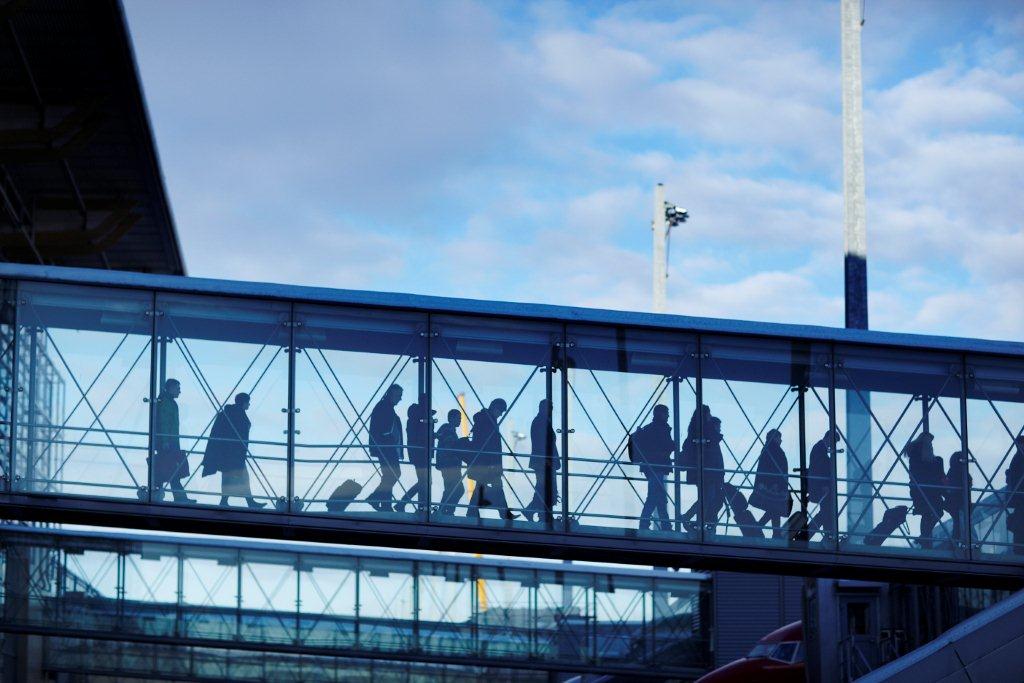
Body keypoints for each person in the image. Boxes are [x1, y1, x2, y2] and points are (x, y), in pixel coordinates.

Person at [200, 393, 266, 509]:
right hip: (233, 453)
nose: (249, 404)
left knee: (230, 476)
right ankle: (247, 502)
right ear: (243, 402)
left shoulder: (229, 413)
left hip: (230, 452)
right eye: (248, 402)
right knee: (239, 476)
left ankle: (228, 501)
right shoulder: (236, 414)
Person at [466, 398, 515, 521]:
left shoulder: (485, 420)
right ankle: (504, 513)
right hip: (488, 462)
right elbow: (489, 444)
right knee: (495, 485)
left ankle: (472, 512)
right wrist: (495, 464)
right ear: (495, 408)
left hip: (485, 462)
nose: (501, 414)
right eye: (501, 411)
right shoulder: (487, 421)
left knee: (481, 486)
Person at [630, 404, 675, 532]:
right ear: (660, 414)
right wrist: (673, 445)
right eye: (666, 413)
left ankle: (665, 525)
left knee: (659, 497)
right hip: (657, 465)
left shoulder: (650, 428)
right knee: (654, 496)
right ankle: (646, 524)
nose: (668, 416)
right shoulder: (660, 429)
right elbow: (665, 445)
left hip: (651, 466)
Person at [151, 379, 195, 503]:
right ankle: (180, 498)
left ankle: (157, 495)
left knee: (167, 468)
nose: (179, 391)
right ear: (170, 388)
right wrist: (165, 441)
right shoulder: (166, 403)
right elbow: (164, 422)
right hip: (169, 442)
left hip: (169, 441)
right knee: (172, 469)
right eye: (177, 388)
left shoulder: (167, 401)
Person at [366, 384, 403, 512]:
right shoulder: (384, 407)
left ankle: (385, 504)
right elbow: (383, 428)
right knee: (394, 473)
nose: (400, 399)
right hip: (385, 447)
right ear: (391, 394)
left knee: (389, 475)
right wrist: (389, 437)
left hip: (384, 446)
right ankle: (376, 498)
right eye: (398, 395)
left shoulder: (384, 407)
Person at [906, 432, 945, 549]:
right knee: (933, 512)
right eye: (929, 444)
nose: (931, 446)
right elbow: (935, 476)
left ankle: (924, 538)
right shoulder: (925, 460)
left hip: (923, 492)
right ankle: (925, 538)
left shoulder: (915, 458)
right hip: (926, 492)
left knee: (928, 514)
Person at [750, 429, 790, 538]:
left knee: (774, 508)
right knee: (775, 508)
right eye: (779, 438)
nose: (781, 440)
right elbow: (771, 468)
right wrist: (775, 483)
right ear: (774, 438)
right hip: (774, 485)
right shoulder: (773, 450)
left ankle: (771, 531)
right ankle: (766, 529)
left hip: (773, 484)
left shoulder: (769, 449)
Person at [524, 399, 559, 523]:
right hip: (544, 462)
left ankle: (539, 513)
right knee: (545, 488)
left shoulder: (541, 421)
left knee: (543, 487)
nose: (551, 410)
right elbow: (541, 443)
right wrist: (547, 460)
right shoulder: (541, 422)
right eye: (550, 408)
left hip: (543, 461)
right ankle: (540, 513)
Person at [399, 397, 434, 513]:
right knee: (425, 482)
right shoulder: (418, 419)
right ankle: (404, 503)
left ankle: (409, 504)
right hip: (421, 454)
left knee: (424, 481)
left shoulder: (414, 418)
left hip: (420, 454)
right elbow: (421, 436)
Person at [805, 429, 836, 537]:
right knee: (826, 511)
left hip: (820, 486)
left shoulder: (819, 448)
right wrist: (824, 485)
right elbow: (820, 468)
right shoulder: (820, 449)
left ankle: (827, 535)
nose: (833, 445)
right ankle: (824, 535)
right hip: (821, 487)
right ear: (829, 438)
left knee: (826, 511)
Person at [434, 409, 465, 515]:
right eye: (458, 418)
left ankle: (445, 510)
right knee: (457, 489)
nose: (460, 420)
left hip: (449, 464)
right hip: (449, 464)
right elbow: (447, 444)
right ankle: (446, 510)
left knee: (450, 488)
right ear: (451, 418)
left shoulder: (448, 429)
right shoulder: (447, 429)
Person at [944, 450, 971, 545]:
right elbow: (968, 482)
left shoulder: (952, 471)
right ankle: (955, 543)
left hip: (955, 502)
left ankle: (954, 544)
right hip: (959, 502)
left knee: (958, 524)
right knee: (960, 524)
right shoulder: (959, 472)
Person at [1006, 435, 1024, 551]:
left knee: (1019, 524)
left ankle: (1018, 549)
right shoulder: (1019, 458)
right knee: (1020, 523)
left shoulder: (1017, 458)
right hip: (1020, 497)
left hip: (1018, 497)